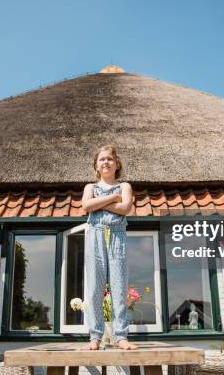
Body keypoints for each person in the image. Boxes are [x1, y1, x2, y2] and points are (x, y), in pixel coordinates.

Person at [81, 145, 137, 350]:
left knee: (119, 287)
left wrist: (99, 202)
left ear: (117, 164)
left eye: (110, 159)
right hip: (95, 235)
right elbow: (86, 206)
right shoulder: (90, 187)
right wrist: (112, 198)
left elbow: (126, 208)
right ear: (96, 165)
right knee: (95, 288)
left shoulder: (125, 187)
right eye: (101, 159)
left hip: (117, 236)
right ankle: (95, 337)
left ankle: (121, 336)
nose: (106, 162)